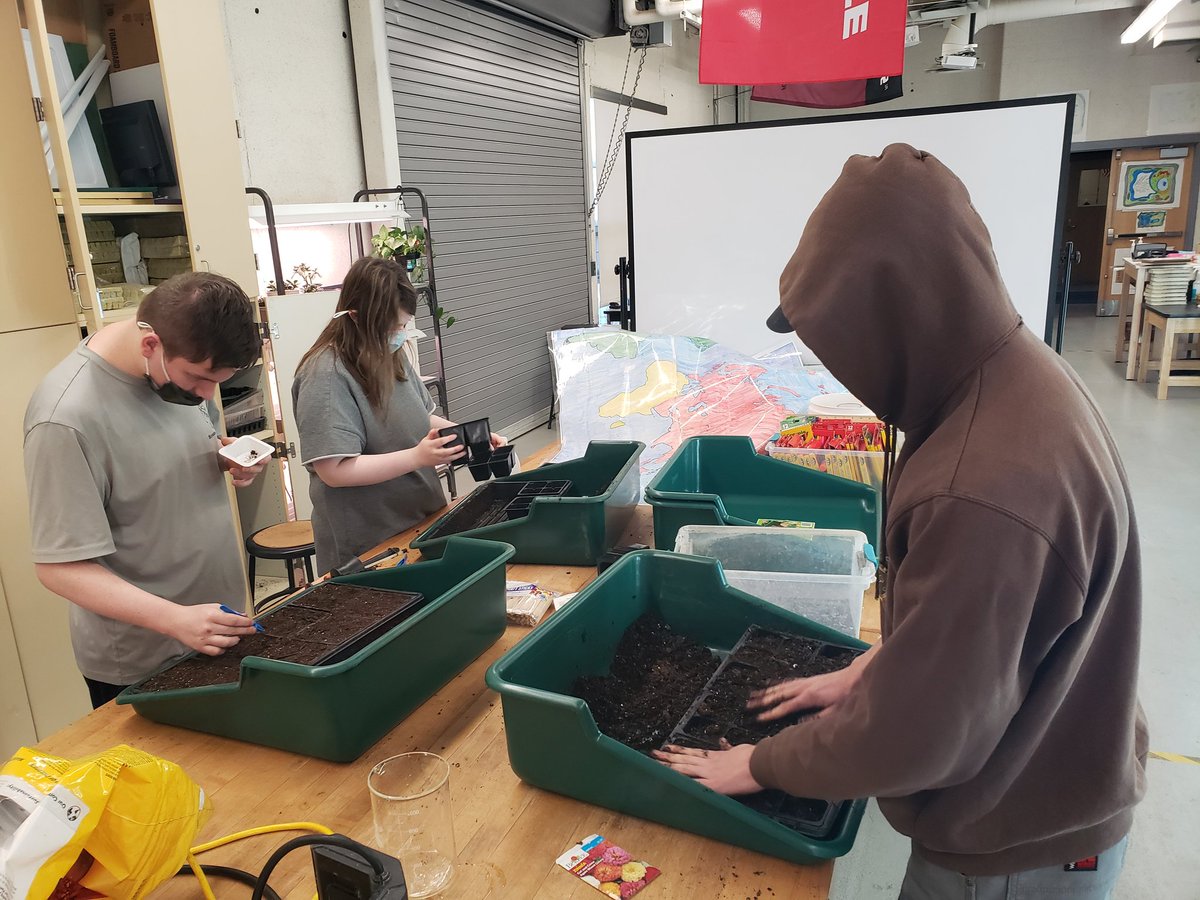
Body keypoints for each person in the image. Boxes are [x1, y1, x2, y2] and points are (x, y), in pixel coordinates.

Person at [654, 144, 1146, 898]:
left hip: (1012, 847)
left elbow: (921, 735)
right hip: (1051, 777)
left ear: (892, 314)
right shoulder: (1018, 379)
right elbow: (999, 634)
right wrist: (876, 668)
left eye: (836, 335)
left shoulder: (982, 486)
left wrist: (758, 763)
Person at [24, 272, 271, 708]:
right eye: (199, 379)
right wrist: (174, 619)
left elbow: (175, 452)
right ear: (150, 345)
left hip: (214, 627)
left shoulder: (179, 376)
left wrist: (224, 456)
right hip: (143, 662)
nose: (208, 395)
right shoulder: (65, 419)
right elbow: (59, 567)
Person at [292, 256, 505, 573]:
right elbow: (334, 470)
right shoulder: (326, 375)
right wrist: (417, 458)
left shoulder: (389, 352)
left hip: (419, 518)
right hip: (369, 544)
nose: (399, 336)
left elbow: (422, 416)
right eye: (392, 329)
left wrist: (468, 433)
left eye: (403, 326)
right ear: (355, 317)